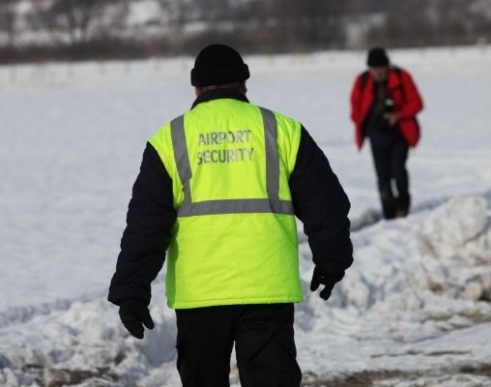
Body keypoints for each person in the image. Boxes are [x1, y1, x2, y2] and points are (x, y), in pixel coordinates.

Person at [108, 44, 353, 387]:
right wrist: (332, 260)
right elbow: (325, 204)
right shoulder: (282, 130)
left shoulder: (171, 139)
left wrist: (131, 290)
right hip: (266, 288)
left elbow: (145, 225)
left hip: (201, 294)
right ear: (244, 85)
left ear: (196, 89)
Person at [349, 47, 424, 219]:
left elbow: (417, 103)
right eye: (374, 69)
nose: (378, 72)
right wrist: (366, 121)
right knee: (383, 177)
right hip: (376, 135)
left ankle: (403, 208)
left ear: (387, 66)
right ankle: (388, 214)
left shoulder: (401, 77)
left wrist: (398, 115)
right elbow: (355, 109)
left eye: (381, 68)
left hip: (400, 133)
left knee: (398, 171)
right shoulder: (362, 81)